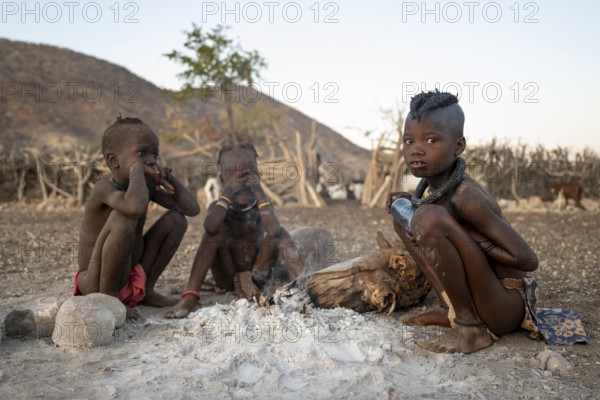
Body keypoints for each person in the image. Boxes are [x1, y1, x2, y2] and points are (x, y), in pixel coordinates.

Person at [386, 91, 540, 353]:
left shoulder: (466, 196)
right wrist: (414, 208)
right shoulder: (437, 189)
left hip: (506, 302)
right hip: (484, 294)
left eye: (431, 140)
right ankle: (453, 310)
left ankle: (472, 329)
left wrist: (466, 234)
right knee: (404, 216)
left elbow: (528, 259)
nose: (416, 149)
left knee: (426, 218)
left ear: (458, 146)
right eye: (409, 140)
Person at [166, 143, 317, 319]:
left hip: (259, 273)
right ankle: (190, 296)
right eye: (231, 175)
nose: (240, 180)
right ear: (222, 179)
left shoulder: (262, 206)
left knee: (280, 231)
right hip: (227, 276)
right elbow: (210, 227)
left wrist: (260, 193)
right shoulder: (218, 205)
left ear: (258, 174)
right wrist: (228, 193)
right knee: (213, 233)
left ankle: (309, 283)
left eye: (247, 172)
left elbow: (274, 232)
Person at [75, 116, 200, 319]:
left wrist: (168, 177)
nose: (151, 160)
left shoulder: (146, 189)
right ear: (113, 160)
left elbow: (191, 209)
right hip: (94, 282)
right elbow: (134, 208)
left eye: (155, 155)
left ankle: (146, 291)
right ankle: (109, 299)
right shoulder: (104, 188)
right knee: (123, 217)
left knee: (177, 220)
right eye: (142, 153)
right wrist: (138, 171)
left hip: (130, 276)